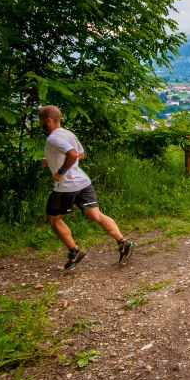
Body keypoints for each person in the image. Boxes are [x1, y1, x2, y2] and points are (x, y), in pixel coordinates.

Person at [39, 105, 134, 269]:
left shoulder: (53, 138)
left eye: (40, 119)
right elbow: (81, 154)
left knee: (53, 220)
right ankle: (123, 243)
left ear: (48, 120)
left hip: (66, 186)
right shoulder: (67, 134)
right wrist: (53, 158)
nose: (39, 122)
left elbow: (74, 155)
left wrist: (61, 171)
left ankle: (74, 251)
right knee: (95, 215)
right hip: (83, 182)